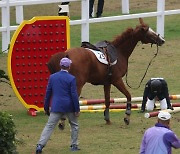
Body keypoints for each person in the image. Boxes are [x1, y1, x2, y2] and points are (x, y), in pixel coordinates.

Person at [36, 57, 80, 153]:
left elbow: (48, 93)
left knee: (49, 126)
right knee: (74, 125)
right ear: (69, 67)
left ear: (60, 65)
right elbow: (74, 94)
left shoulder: (53, 77)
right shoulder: (72, 78)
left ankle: (40, 145)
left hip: (56, 105)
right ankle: (74, 145)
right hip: (69, 106)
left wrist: (46, 107)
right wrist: (77, 109)